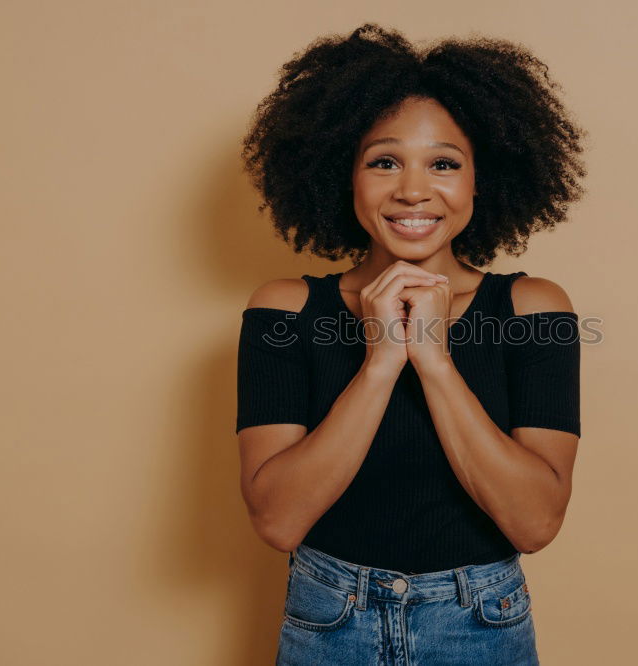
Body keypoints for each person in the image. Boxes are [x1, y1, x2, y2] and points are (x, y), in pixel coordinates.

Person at [235, 23, 587, 665]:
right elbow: (278, 522)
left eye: (444, 163)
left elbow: (535, 524)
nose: (413, 190)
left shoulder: (534, 307)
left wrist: (434, 359)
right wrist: (380, 362)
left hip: (479, 625)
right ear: (346, 175)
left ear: (482, 179)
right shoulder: (284, 309)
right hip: (327, 624)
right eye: (384, 161)